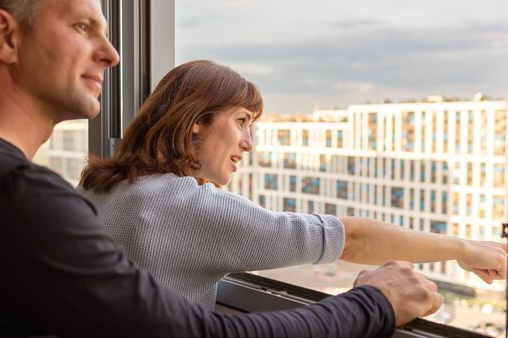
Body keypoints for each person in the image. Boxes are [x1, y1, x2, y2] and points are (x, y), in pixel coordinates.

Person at [0, 0, 442, 338]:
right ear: (4, 35)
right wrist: (375, 302)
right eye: (82, 27)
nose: (110, 53)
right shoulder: (14, 195)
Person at [79, 60, 507, 310]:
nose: (248, 143)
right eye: (241, 122)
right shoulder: (183, 206)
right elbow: (350, 239)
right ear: (195, 124)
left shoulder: (105, 188)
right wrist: (464, 249)